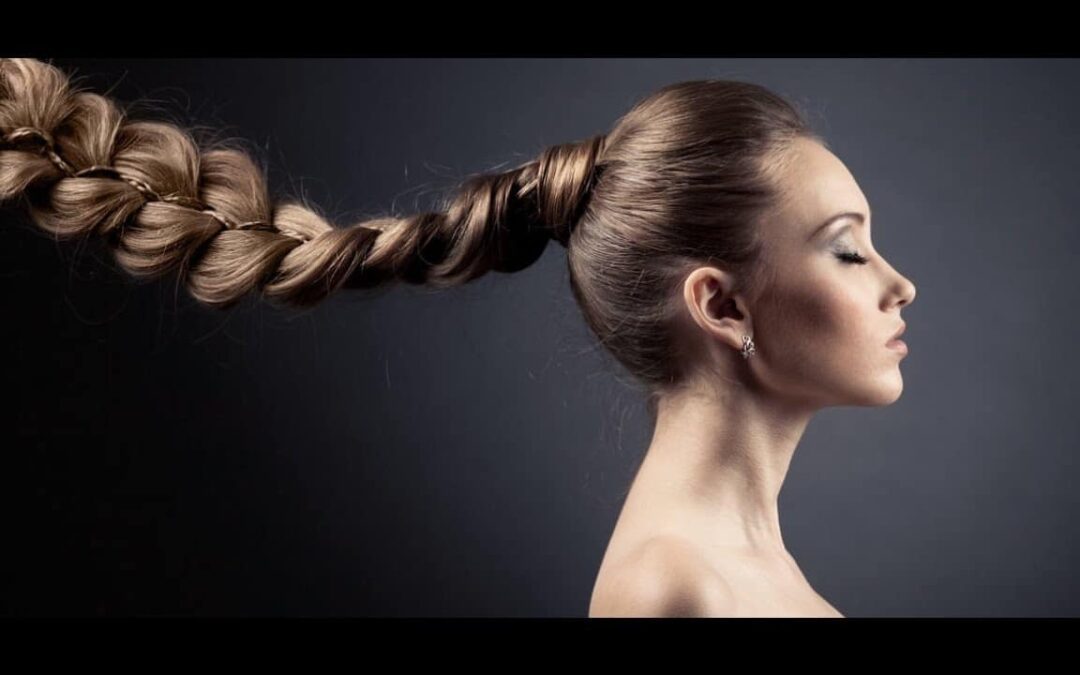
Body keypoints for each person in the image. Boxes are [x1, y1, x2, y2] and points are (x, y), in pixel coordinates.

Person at [0, 58, 915, 617]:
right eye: (848, 250)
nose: (898, 284)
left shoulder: (744, 564)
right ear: (721, 306)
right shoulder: (673, 587)